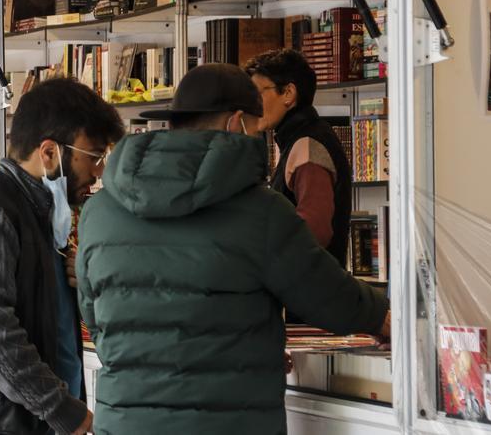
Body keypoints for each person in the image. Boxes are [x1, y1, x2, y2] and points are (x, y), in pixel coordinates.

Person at [77, 64, 391, 434]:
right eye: (257, 130)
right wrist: (382, 317)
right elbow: (324, 292)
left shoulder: (99, 210)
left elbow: (95, 315)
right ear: (236, 124)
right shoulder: (262, 212)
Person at [0, 79, 120, 435]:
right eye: (93, 156)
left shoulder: (47, 215)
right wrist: (60, 407)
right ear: (49, 153)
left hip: (36, 418)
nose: (98, 172)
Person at [247, 49, 353, 265]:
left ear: (288, 94)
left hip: (309, 291)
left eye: (257, 94)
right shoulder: (302, 138)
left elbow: (315, 231)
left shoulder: (307, 144)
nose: (251, 105)